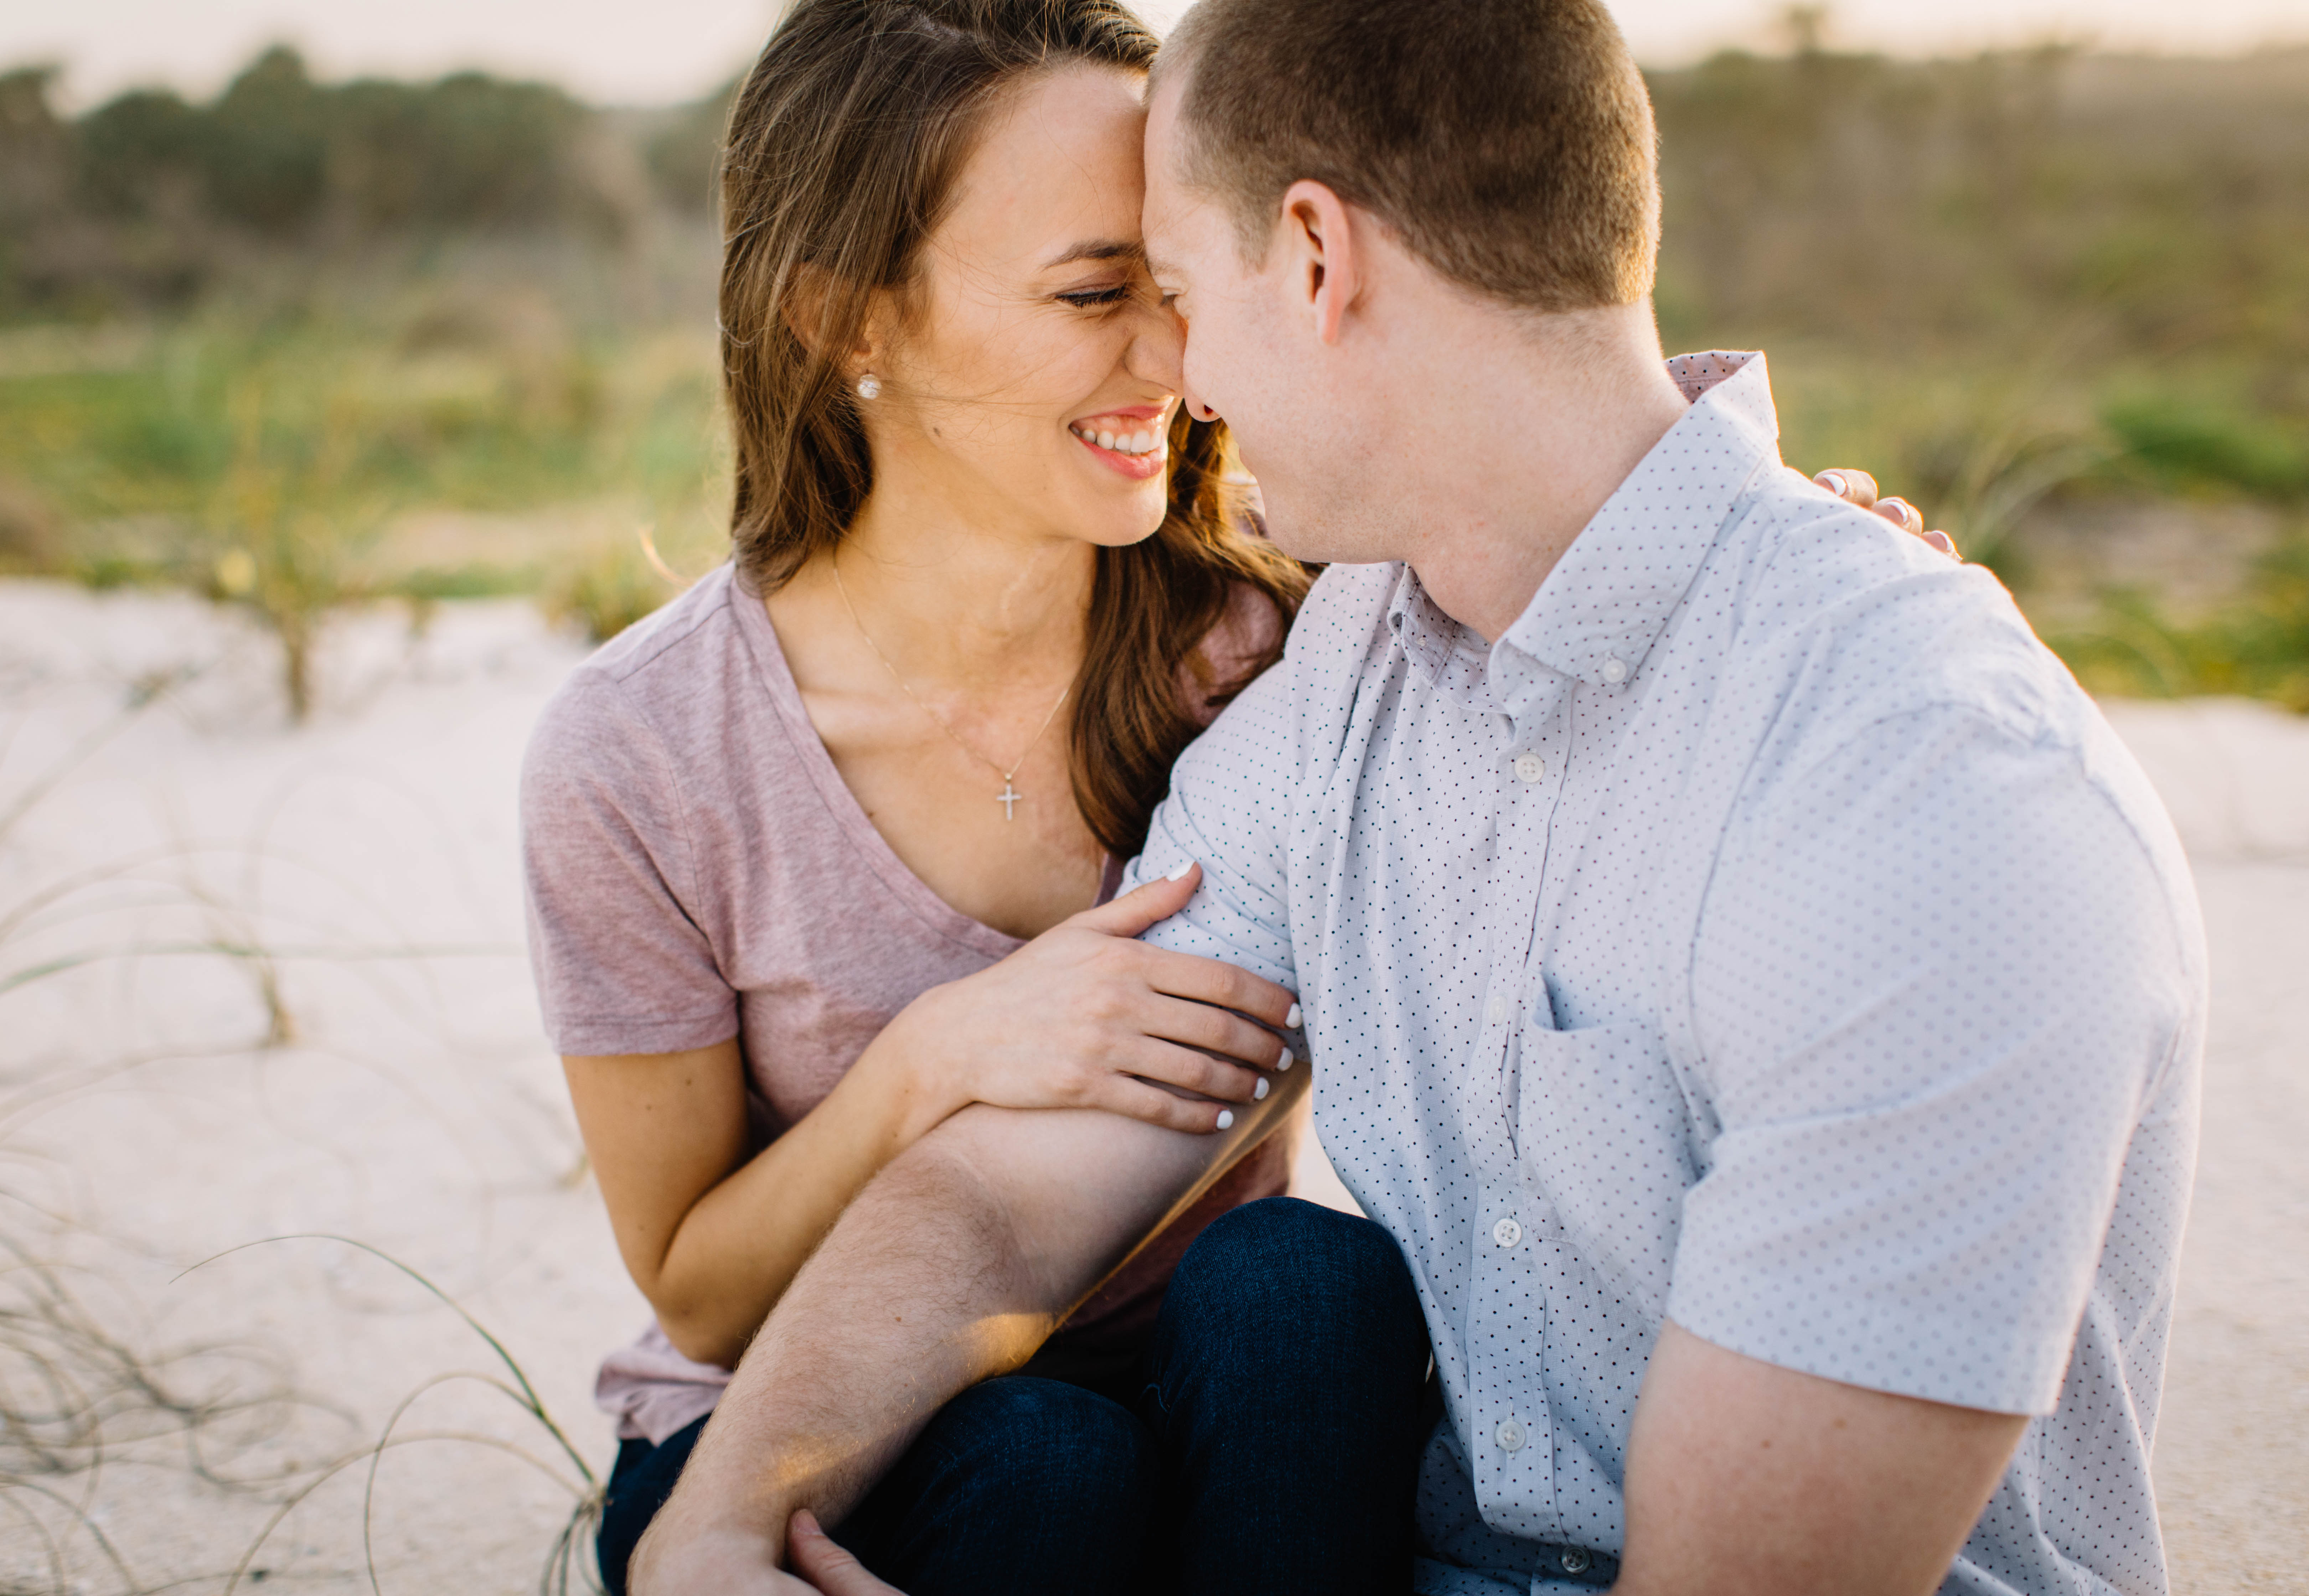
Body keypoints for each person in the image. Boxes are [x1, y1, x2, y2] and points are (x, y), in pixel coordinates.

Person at [620, 1, 2207, 1594]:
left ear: (1316, 259)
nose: (1187, 372)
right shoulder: (1345, 685)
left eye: (1177, 288)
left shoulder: (1925, 801)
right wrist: (719, 1520)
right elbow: (1001, 1196)